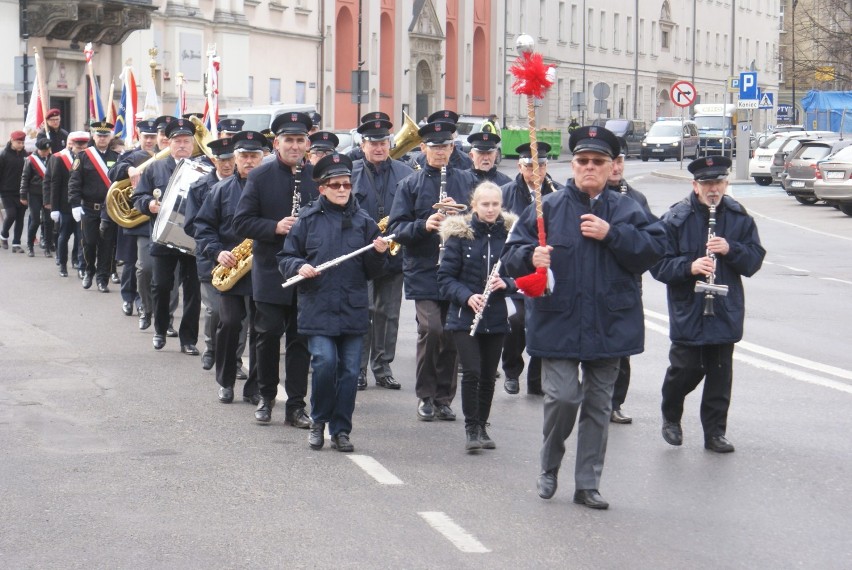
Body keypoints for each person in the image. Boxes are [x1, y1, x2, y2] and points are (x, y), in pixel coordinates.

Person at [501, 126, 666, 509]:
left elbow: (655, 249)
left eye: (598, 162)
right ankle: (549, 465)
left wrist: (613, 235)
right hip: (558, 320)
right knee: (561, 397)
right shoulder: (548, 207)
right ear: (572, 165)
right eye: (583, 161)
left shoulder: (628, 208)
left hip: (610, 323)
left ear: (612, 167)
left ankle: (587, 483)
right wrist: (530, 258)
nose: (589, 167)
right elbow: (512, 253)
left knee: (597, 405)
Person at [651, 155, 765, 454]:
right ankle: (671, 416)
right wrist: (690, 267)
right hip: (689, 306)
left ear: (726, 184)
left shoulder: (739, 217)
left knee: (719, 372)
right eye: (707, 183)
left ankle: (715, 433)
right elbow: (658, 265)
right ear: (695, 185)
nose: (713, 188)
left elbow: (754, 260)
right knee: (685, 368)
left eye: (718, 182)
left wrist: (731, 249)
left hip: (725, 308)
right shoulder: (676, 218)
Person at [279, 153, 388, 452]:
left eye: (347, 185)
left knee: (351, 372)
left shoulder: (365, 223)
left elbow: (373, 272)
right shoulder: (307, 220)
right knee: (325, 363)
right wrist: (298, 266)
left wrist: (378, 254)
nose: (342, 189)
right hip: (318, 306)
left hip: (352, 308)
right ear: (322, 188)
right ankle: (318, 421)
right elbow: (285, 257)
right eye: (336, 185)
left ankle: (341, 430)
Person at [388, 120, 478, 422]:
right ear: (423, 148)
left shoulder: (467, 180)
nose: (441, 151)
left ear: (453, 148)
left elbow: (481, 222)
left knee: (452, 333)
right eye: (435, 146)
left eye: (446, 146)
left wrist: (461, 215)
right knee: (432, 329)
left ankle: (443, 397)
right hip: (423, 268)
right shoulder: (410, 185)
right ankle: (425, 395)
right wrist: (424, 224)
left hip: (457, 269)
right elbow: (396, 230)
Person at [233, 112, 318, 427]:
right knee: (267, 337)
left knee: (300, 342)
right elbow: (241, 221)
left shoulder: (317, 177)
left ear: (307, 143)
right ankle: (266, 397)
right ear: (277, 143)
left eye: (300, 140)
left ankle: (296, 406)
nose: (295, 146)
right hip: (270, 270)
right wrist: (275, 226)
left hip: (305, 271)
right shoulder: (260, 176)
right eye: (289, 140)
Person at [438, 182, 516, 451]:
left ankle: (483, 425)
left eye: (495, 204)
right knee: (471, 371)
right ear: (474, 206)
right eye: (485, 204)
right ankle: (471, 428)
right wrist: (467, 296)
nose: (491, 209)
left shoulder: (510, 235)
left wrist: (507, 284)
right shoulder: (460, 236)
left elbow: (521, 273)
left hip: (495, 315)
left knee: (487, 375)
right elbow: (445, 279)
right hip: (464, 316)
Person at [194, 131, 265, 405]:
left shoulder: (273, 188)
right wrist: (217, 252)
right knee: (230, 323)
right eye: (244, 156)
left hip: (265, 269)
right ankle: (225, 381)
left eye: (254, 156)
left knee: (263, 329)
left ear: (263, 158)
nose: (249, 161)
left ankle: (255, 387)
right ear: (235, 158)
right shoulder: (220, 190)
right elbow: (203, 228)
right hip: (233, 268)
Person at [351, 116, 413, 390]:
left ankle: (383, 366)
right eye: (373, 142)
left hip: (393, 250)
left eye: (383, 142)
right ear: (362, 144)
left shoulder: (406, 173)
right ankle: (358, 367)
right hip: (360, 253)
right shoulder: (349, 173)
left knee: (389, 312)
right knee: (362, 310)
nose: (379, 147)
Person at [132, 118, 202, 355]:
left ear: (193, 144)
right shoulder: (155, 168)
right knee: (161, 286)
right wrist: (149, 204)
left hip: (193, 239)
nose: (182, 145)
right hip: (163, 237)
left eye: (186, 141)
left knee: (193, 291)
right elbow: (138, 197)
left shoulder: (203, 169)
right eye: (177, 141)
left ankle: (188, 340)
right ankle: (160, 329)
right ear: (169, 144)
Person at [499, 142, 562, 396]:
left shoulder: (557, 192)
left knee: (543, 322)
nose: (536, 171)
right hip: (515, 267)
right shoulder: (505, 193)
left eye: (542, 165)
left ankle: (536, 380)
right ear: (520, 166)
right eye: (529, 165)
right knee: (516, 321)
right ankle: (512, 372)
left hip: (545, 269)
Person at [605, 151, 655, 425]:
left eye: (619, 162)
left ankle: (615, 403)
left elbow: (651, 242)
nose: (615, 167)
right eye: (610, 161)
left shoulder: (636, 200)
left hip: (625, 282)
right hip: (592, 282)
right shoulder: (585, 196)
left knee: (621, 347)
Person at [184, 136, 238, 371]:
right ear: (213, 160)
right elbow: (191, 225)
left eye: (230, 159)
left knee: (238, 317)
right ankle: (211, 346)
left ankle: (234, 359)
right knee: (215, 310)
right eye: (221, 160)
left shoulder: (247, 185)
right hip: (210, 257)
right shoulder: (199, 187)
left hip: (239, 258)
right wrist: (215, 247)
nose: (226, 165)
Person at [68, 122, 119, 292]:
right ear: (94, 136)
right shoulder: (83, 156)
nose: (102, 138)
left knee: (106, 245)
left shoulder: (116, 157)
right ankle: (89, 270)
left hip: (109, 209)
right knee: (89, 243)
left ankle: (102, 279)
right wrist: (75, 204)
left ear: (110, 137)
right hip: (89, 208)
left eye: (105, 135)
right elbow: (74, 182)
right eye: (99, 135)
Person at [49, 132, 88, 277]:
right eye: (78, 145)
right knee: (63, 236)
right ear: (71, 145)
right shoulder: (61, 159)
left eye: (84, 145)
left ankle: (78, 263)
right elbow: (55, 184)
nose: (81, 147)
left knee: (80, 237)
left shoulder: (88, 159)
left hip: (82, 205)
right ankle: (62, 264)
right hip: (65, 206)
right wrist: (54, 208)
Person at [20, 138, 53, 257]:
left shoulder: (52, 158)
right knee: (35, 220)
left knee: (49, 221)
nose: (46, 153)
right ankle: (30, 245)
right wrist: (23, 195)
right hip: (34, 193)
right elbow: (25, 178)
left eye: (47, 150)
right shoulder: (30, 160)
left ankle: (48, 247)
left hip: (48, 194)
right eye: (43, 151)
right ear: (38, 149)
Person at [0, 130, 29, 252]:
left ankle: (16, 243)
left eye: (22, 142)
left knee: (20, 218)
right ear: (12, 140)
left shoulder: (25, 155)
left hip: (22, 191)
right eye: (18, 142)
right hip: (7, 191)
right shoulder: (4, 155)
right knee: (11, 214)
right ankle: (4, 235)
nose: (21, 145)